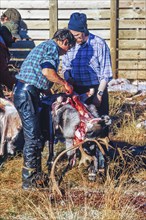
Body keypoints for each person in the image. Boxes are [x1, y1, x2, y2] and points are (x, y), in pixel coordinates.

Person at [13, 28, 75, 190]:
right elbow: (47, 71)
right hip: (27, 93)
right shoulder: (52, 49)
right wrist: (64, 83)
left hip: (27, 91)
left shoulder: (45, 46)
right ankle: (29, 181)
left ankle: (36, 174)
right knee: (33, 137)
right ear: (65, 42)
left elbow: (38, 75)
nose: (65, 53)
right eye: (68, 48)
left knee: (37, 135)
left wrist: (49, 91)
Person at [62, 12, 113, 172]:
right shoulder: (70, 44)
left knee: (100, 126)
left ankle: (101, 165)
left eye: (76, 35)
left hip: (97, 88)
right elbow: (66, 66)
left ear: (84, 31)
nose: (74, 38)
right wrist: (68, 79)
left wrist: (99, 94)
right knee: (80, 127)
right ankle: (83, 160)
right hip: (77, 90)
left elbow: (106, 72)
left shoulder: (98, 44)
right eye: (72, 34)